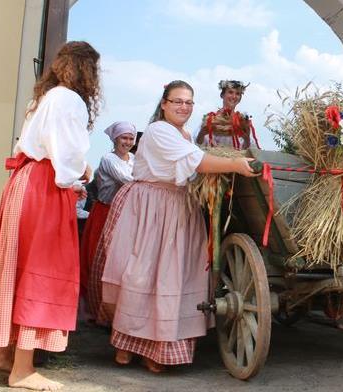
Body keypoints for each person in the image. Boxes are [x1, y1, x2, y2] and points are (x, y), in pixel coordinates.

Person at [98, 80, 259, 373]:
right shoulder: (160, 131)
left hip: (178, 206)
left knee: (172, 277)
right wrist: (234, 164)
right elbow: (196, 162)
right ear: (164, 104)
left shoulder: (184, 133)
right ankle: (127, 345)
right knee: (144, 275)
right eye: (177, 101)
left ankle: (158, 349)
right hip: (153, 208)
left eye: (188, 103)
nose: (183, 107)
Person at [0, 41, 100, 391]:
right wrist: (79, 172)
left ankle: (0, 353)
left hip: (21, 184)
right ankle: (23, 370)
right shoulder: (68, 99)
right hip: (41, 188)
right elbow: (67, 156)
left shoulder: (42, 98)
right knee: (39, 272)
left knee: (18, 265)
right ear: (88, 69)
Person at [80, 121, 136, 323]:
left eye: (131, 138)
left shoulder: (134, 159)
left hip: (125, 214)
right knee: (98, 258)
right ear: (115, 139)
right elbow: (129, 180)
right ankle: (95, 310)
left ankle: (116, 309)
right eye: (124, 138)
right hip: (105, 212)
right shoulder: (108, 159)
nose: (127, 142)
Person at [195, 80, 260, 149]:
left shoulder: (243, 122)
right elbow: (197, 146)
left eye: (238, 94)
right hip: (212, 158)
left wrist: (247, 139)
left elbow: (249, 150)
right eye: (230, 92)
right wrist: (202, 133)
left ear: (240, 98)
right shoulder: (210, 119)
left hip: (237, 159)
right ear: (222, 95)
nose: (234, 96)